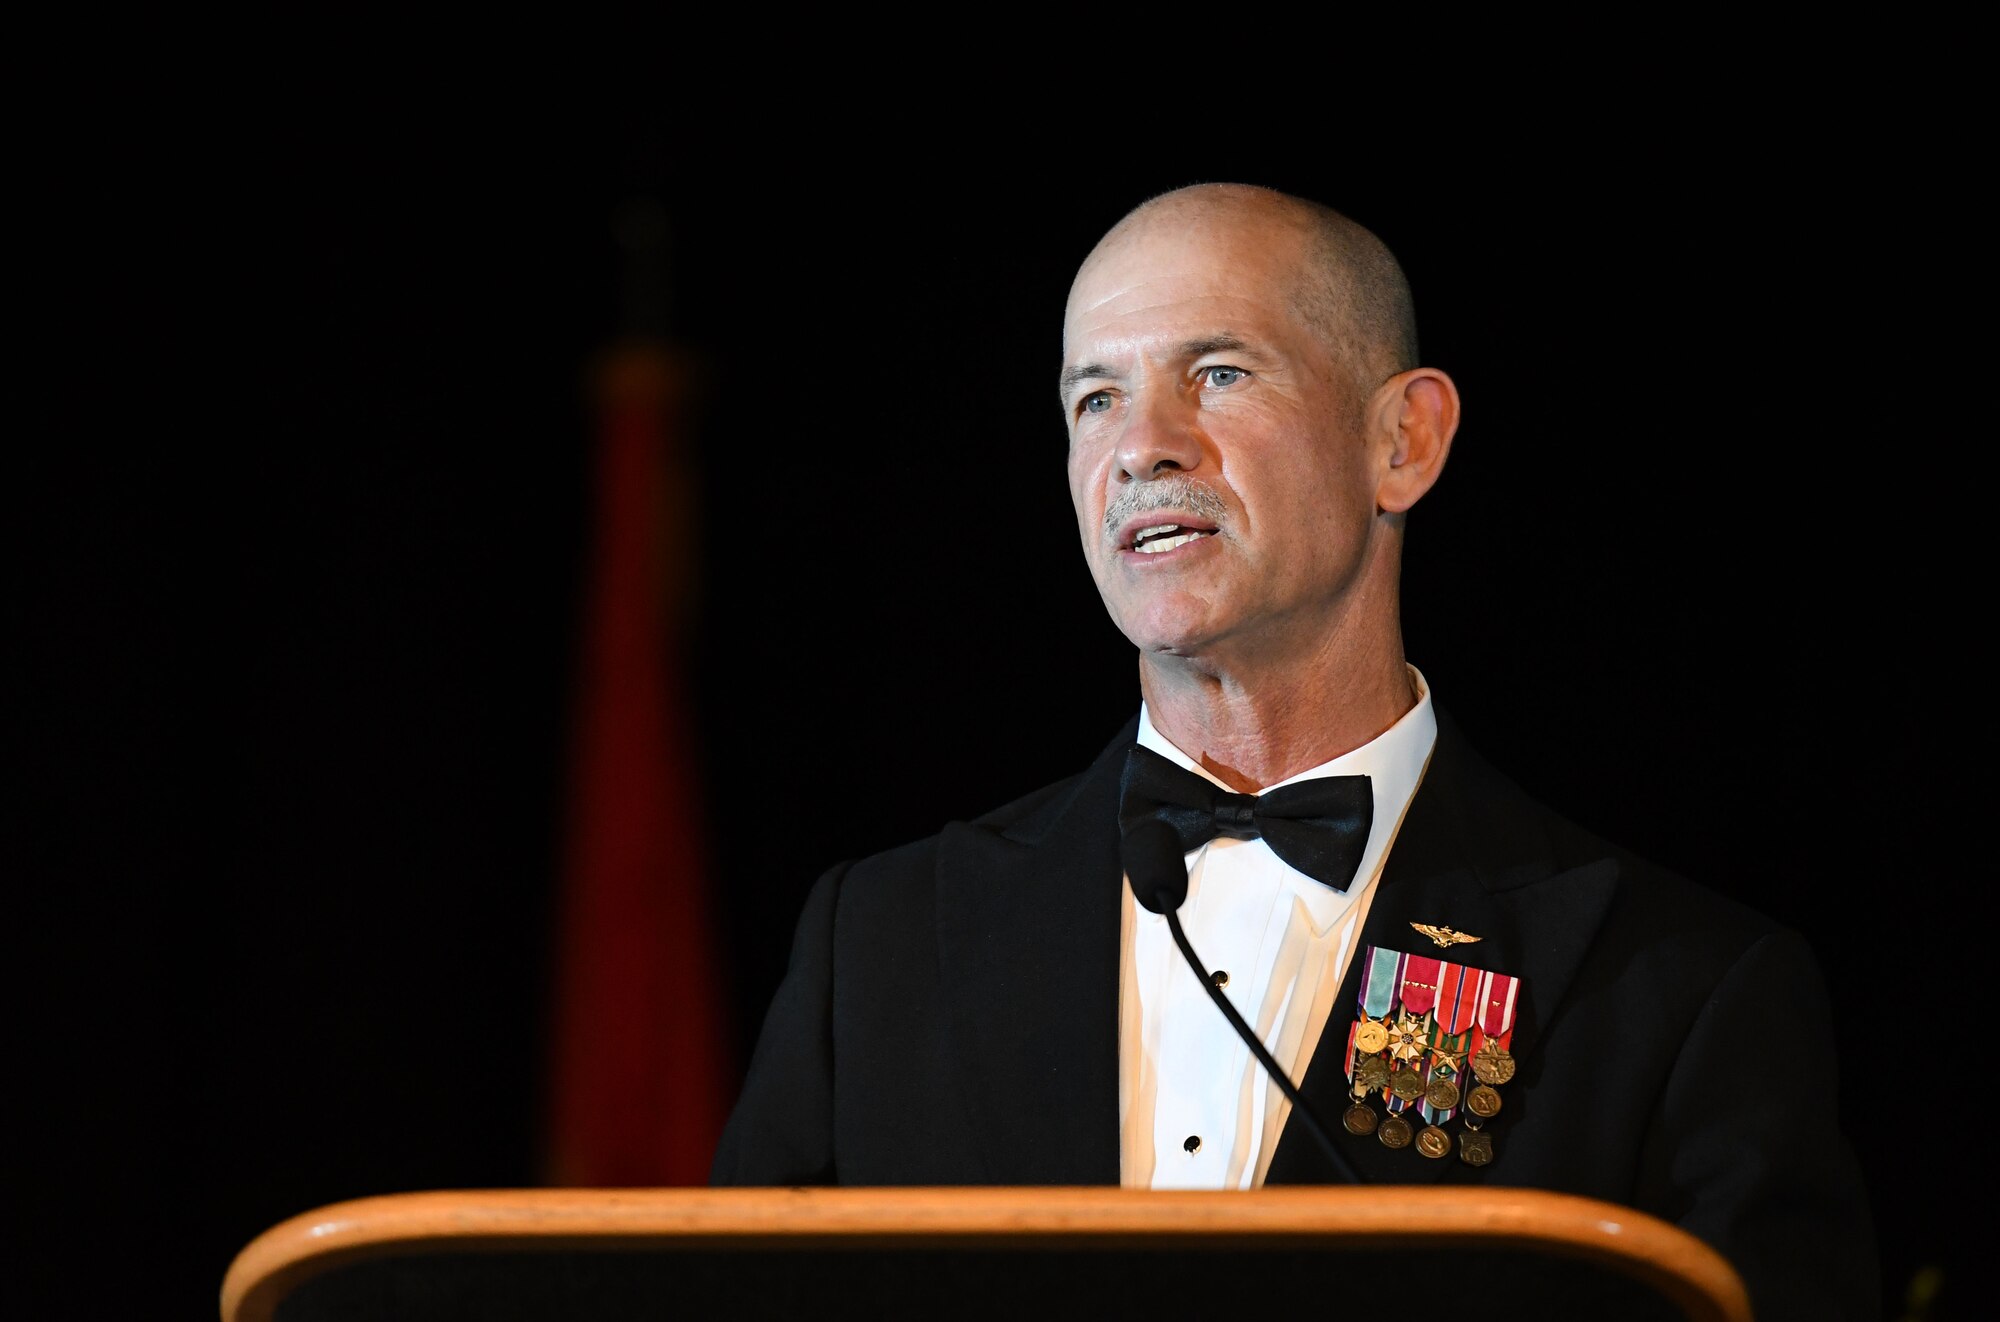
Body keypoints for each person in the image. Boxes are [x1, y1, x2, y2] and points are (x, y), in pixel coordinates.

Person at [709, 181, 1877, 1319]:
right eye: (1094, 399)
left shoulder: (1677, 991)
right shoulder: (880, 944)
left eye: (1216, 374)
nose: (1141, 448)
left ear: (1401, 441)